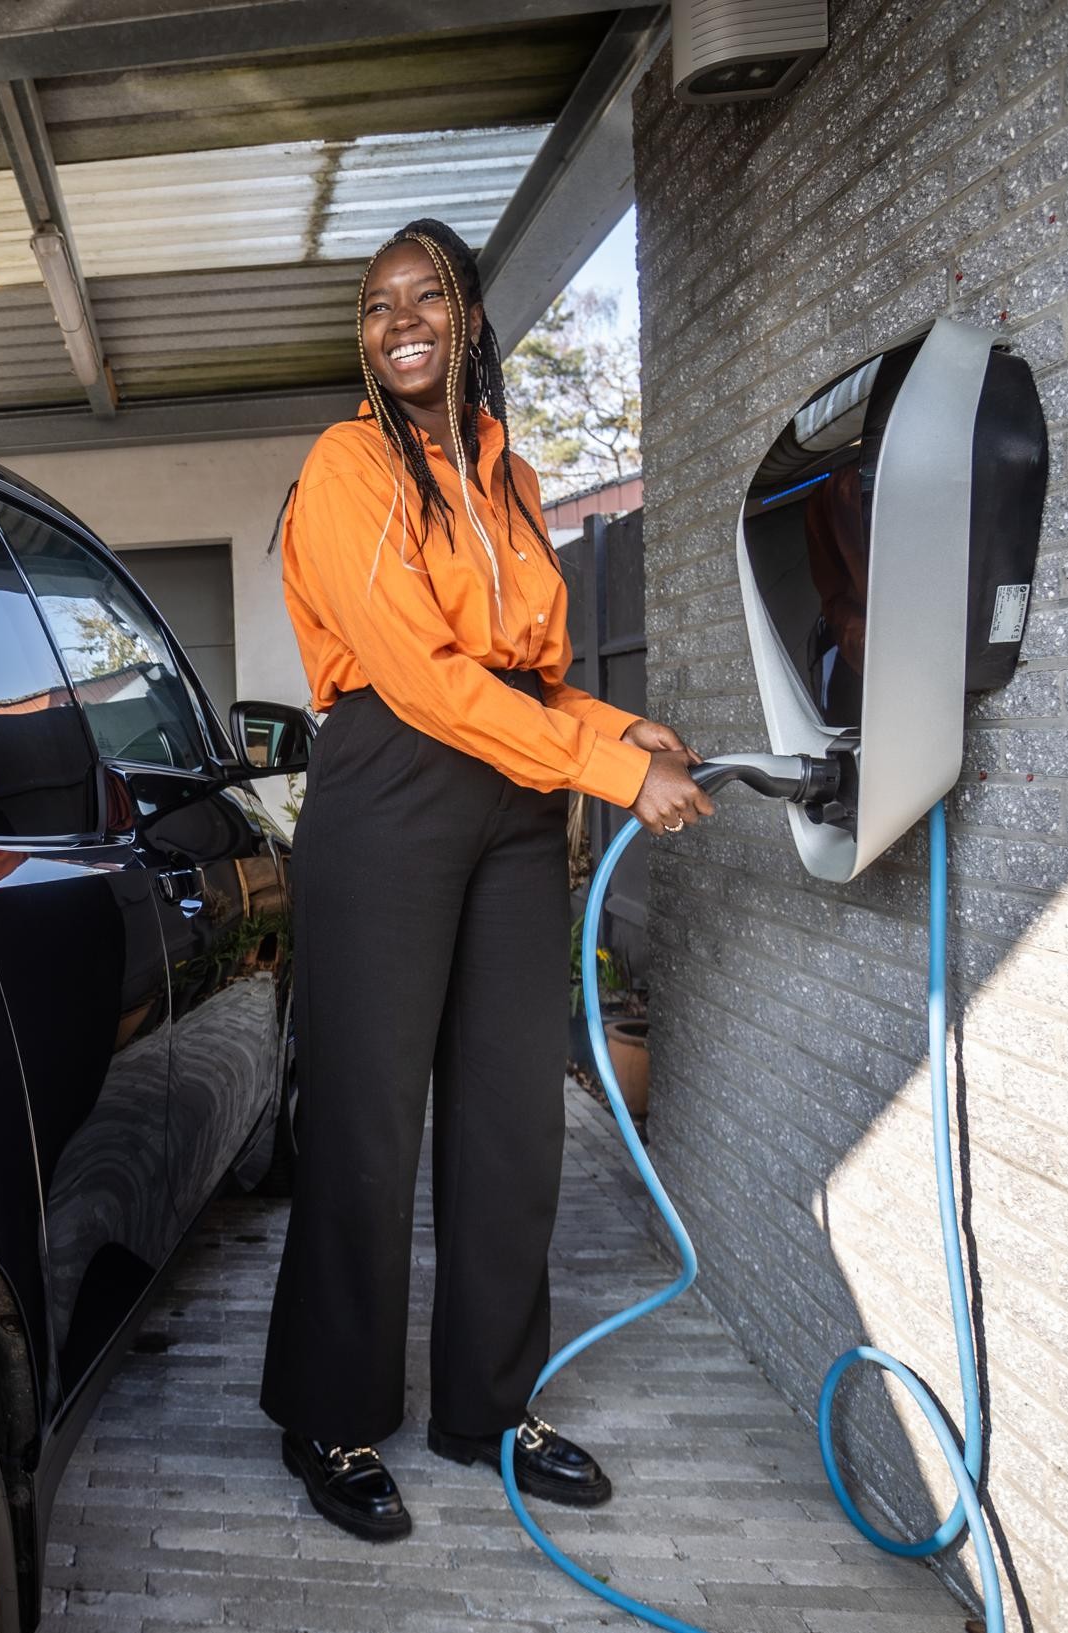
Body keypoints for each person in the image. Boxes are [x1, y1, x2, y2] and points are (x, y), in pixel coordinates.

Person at [260, 219, 716, 1542]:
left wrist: (612, 731)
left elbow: (528, 668)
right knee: (364, 1120)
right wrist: (610, 772)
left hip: (512, 801)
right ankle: (328, 1415)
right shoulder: (348, 464)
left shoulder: (508, 480)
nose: (397, 319)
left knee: (510, 1118)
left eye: (425, 297)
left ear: (466, 319)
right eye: (375, 303)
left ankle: (486, 1405)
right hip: (390, 789)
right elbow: (422, 677)